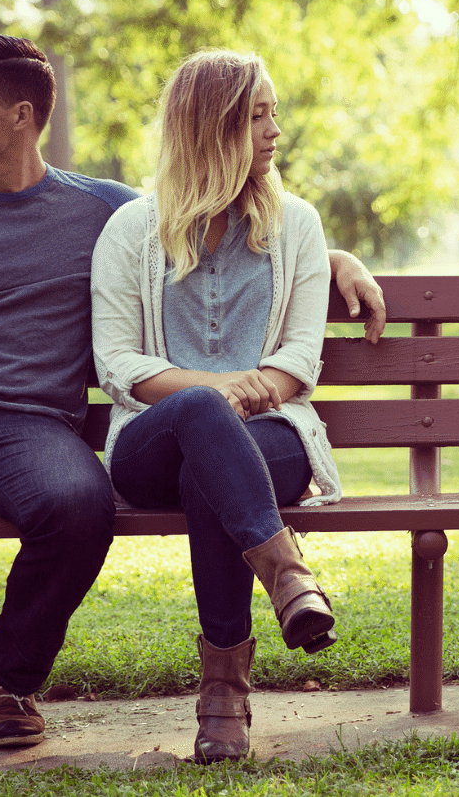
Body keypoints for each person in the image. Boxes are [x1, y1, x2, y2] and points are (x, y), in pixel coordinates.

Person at [0, 35, 385, 758]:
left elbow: (208, 212)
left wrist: (336, 257)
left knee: (79, 505)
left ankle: (10, 683)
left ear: (20, 116)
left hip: (34, 427)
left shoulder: (98, 207)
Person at [90, 49, 345, 763]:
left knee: (215, 466)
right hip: (150, 439)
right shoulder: (131, 231)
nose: (274, 131)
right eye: (257, 116)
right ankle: (287, 574)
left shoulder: (296, 224)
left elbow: (299, 358)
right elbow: (118, 364)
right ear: (212, 129)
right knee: (205, 417)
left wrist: (250, 390)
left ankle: (223, 698)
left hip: (274, 436)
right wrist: (220, 388)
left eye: (273, 113)